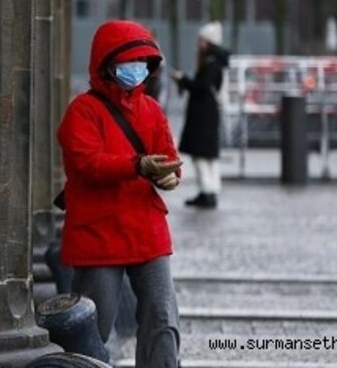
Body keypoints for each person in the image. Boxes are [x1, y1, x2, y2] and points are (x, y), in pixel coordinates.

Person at [57, 20, 182, 368]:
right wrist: (137, 165)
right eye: (131, 61)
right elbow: (88, 164)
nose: (137, 68)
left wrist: (170, 177)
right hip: (99, 232)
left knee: (163, 319)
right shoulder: (82, 111)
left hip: (146, 228)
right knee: (93, 327)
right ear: (107, 65)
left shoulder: (151, 109)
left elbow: (168, 157)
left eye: (143, 61)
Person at [172, 21, 230, 209]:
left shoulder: (211, 63)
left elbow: (201, 87)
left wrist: (183, 79)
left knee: (201, 155)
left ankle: (207, 191)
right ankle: (210, 190)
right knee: (209, 155)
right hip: (209, 114)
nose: (198, 44)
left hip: (202, 115)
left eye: (202, 40)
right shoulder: (217, 62)